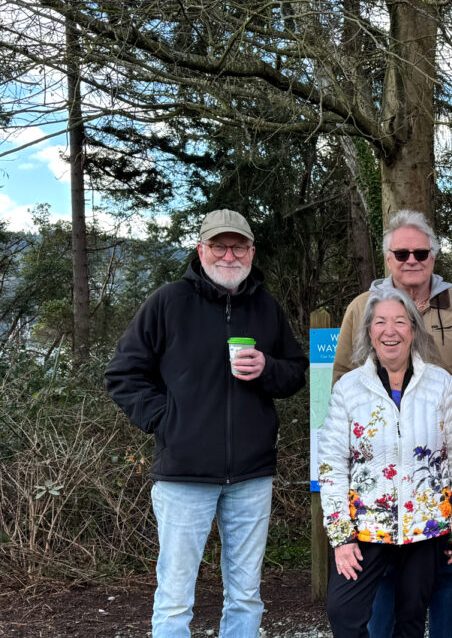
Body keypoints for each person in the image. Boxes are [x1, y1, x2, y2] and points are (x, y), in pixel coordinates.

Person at [105, 208, 309, 638]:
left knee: (246, 594)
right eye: (219, 245)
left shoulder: (266, 306)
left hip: (252, 475)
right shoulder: (167, 302)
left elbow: (294, 372)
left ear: (252, 251)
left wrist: (267, 367)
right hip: (183, 474)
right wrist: (166, 421)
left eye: (238, 246)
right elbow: (123, 374)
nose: (229, 255)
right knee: (176, 597)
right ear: (201, 249)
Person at [332, 210, 452, 638]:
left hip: (436, 488)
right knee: (372, 603)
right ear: (388, 258)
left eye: (421, 251)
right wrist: (340, 531)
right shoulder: (360, 309)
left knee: (438, 588)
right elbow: (340, 381)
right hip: (373, 499)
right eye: (401, 252)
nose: (412, 259)